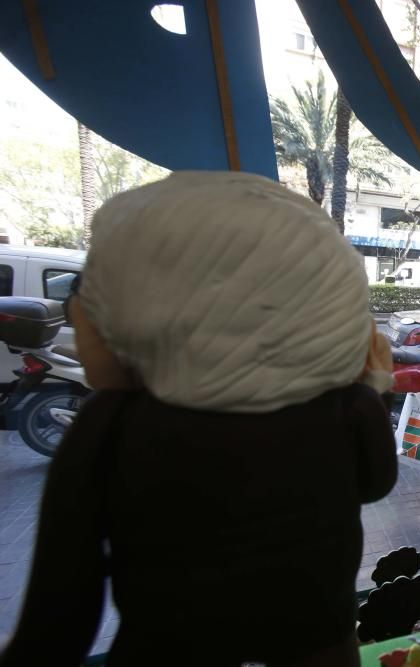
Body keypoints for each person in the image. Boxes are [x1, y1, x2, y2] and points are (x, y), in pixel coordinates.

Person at [0, 172, 397, 667]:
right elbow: (376, 483)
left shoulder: (113, 421)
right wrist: (372, 387)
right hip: (317, 630)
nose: (76, 310)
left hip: (167, 638)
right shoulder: (346, 409)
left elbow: (64, 592)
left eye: (91, 292)